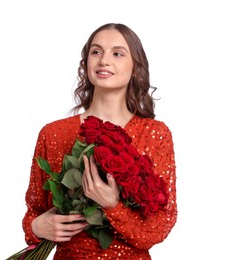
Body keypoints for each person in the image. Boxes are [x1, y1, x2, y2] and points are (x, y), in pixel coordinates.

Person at [22, 23, 177, 259]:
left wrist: (112, 206)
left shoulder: (155, 134)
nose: (104, 60)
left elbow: (160, 225)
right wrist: (35, 227)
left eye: (117, 53)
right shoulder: (53, 133)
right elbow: (36, 209)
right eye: (96, 52)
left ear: (136, 67)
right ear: (86, 63)